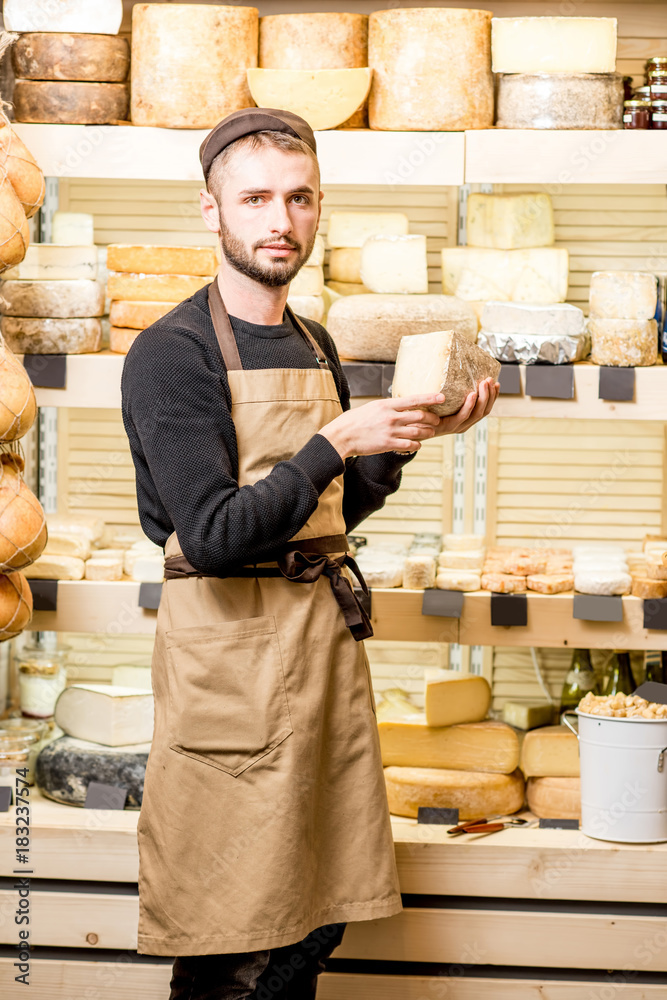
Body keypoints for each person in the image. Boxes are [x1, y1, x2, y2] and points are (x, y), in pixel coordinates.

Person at [121, 107, 499, 1000]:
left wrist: (399, 443)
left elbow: (329, 513)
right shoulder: (171, 355)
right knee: (235, 937)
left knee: (312, 921)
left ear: (317, 206)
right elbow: (212, 537)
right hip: (230, 673)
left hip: (319, 654)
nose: (277, 220)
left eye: (297, 198)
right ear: (211, 212)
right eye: (253, 199)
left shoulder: (313, 340)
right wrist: (334, 438)